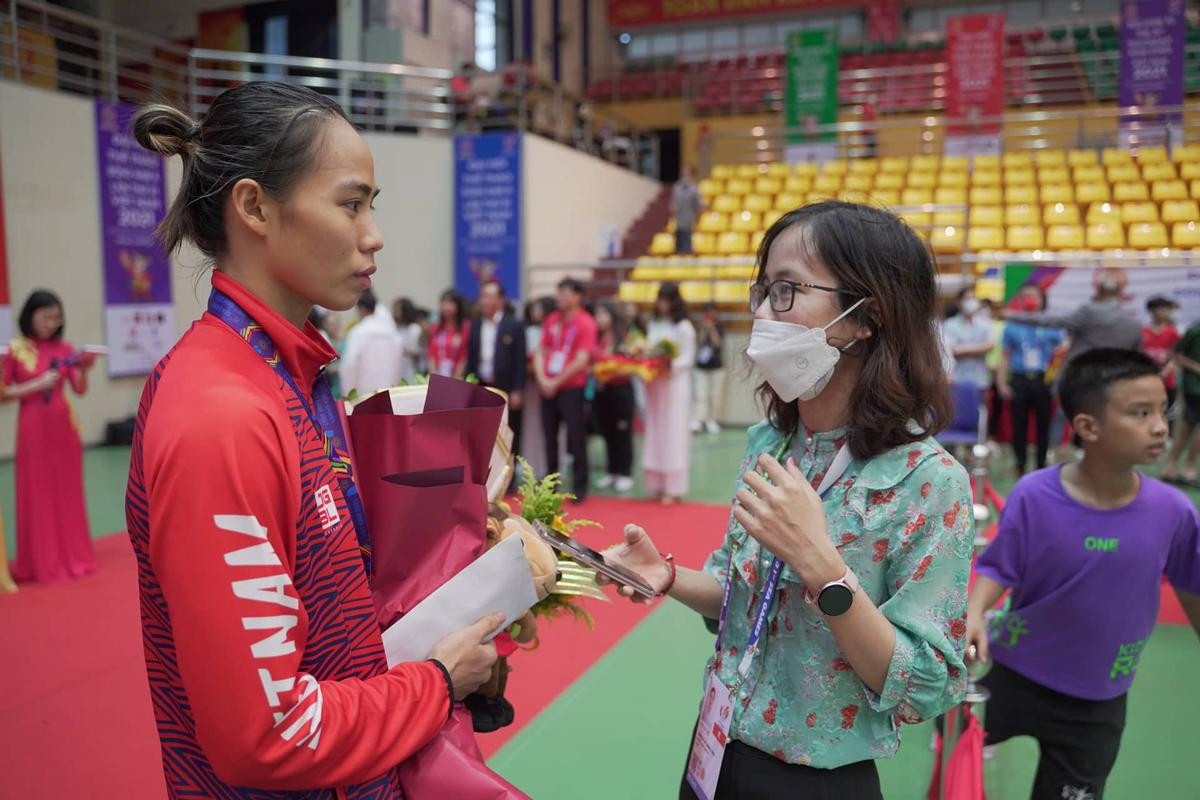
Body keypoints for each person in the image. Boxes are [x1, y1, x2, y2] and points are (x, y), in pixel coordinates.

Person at [127, 82, 502, 799]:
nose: (374, 234)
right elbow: (266, 737)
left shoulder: (294, 379)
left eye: (373, 205)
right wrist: (437, 682)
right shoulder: (221, 416)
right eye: (350, 203)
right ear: (255, 207)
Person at [601, 201, 973, 798]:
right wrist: (668, 577)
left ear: (865, 317)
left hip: (817, 778)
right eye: (763, 291)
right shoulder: (772, 444)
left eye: (786, 291)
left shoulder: (929, 482)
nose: (761, 314)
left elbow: (924, 684)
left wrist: (824, 569)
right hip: (718, 745)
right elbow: (740, 592)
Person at [967, 348, 1200, 800]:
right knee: (954, 742)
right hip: (1016, 671)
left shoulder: (1173, 510)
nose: (1160, 426)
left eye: (1162, 411)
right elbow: (999, 565)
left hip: (1098, 700)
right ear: (1088, 427)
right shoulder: (1034, 495)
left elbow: (1192, 586)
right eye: (1140, 413)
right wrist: (975, 611)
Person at [1, 290, 99, 584]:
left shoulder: (65, 349)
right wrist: (38, 383)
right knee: (38, 492)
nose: (51, 323)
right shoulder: (15, 350)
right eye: (45, 317)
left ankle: (73, 556)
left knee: (67, 493)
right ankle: (42, 561)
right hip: (32, 429)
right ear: (30, 316)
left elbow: (79, 389)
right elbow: (3, 394)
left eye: (56, 318)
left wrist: (85, 370)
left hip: (64, 430)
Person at [1004, 268, 1143, 367]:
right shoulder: (1135, 325)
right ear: (1121, 291)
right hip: (1115, 377)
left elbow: (1051, 321)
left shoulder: (1089, 311)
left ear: (1097, 289)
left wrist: (1011, 315)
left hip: (1083, 375)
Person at [535, 279, 596, 502]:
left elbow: (581, 360)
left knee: (576, 436)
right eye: (559, 293)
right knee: (549, 436)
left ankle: (580, 487)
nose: (560, 297)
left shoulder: (585, 322)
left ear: (578, 296)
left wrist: (556, 381)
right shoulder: (552, 319)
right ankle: (551, 485)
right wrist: (543, 378)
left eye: (566, 293)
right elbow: (541, 350)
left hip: (571, 388)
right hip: (548, 386)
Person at [997, 284, 1065, 475]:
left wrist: (1059, 382)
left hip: (1044, 380)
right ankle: (1020, 464)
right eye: (1025, 295)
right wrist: (1002, 382)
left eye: (1033, 295)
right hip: (1019, 379)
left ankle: (1041, 465)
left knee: (1044, 424)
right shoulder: (1011, 325)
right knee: (1019, 425)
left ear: (1042, 299)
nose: (1030, 299)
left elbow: (1061, 352)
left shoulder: (1050, 323)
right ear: (1019, 300)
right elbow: (1005, 356)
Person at [641, 282, 696, 504]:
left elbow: (687, 358)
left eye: (666, 300)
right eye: (660, 299)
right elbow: (649, 349)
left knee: (674, 433)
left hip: (675, 386)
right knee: (655, 431)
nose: (662, 304)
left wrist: (668, 364)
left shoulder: (684, 327)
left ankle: (673, 488)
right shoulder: (655, 324)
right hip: (656, 385)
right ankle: (656, 483)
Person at [467, 279, 526, 450]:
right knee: (482, 432)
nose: (485, 301)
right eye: (483, 296)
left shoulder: (513, 325)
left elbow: (520, 360)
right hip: (481, 386)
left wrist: (518, 390)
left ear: (500, 300)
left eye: (490, 297)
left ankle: (510, 474)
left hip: (505, 386)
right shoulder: (476, 324)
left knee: (508, 432)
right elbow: (472, 357)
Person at [591, 301, 635, 493]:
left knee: (622, 433)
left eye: (603, 314)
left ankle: (625, 473)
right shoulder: (597, 339)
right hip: (602, 391)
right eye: (597, 315)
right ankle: (612, 471)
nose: (599, 319)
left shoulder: (624, 338)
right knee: (607, 432)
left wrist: (612, 370)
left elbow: (632, 365)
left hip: (621, 391)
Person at [341, 288, 405, 398]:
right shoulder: (392, 332)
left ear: (361, 309)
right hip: (390, 391)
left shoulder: (357, 332)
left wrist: (348, 395)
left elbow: (350, 366)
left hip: (364, 394)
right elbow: (400, 362)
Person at [1163, 315, 1200, 486]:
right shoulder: (1195, 329)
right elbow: (1175, 353)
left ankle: (1187, 469)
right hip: (1194, 387)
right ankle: (1172, 468)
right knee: (1186, 428)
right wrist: (1195, 367)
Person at [941, 286, 994, 390]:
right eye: (967, 298)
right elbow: (951, 350)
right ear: (959, 302)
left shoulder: (986, 323)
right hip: (957, 379)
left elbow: (990, 346)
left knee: (981, 406)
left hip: (981, 379)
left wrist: (962, 349)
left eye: (973, 298)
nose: (971, 301)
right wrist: (980, 349)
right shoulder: (949, 324)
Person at [1142, 295, 1181, 411]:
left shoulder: (1172, 332)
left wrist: (1165, 373)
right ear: (1151, 311)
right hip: (1147, 380)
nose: (1162, 312)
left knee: (1168, 413)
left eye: (1164, 309)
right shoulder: (1143, 332)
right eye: (1158, 309)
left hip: (1167, 382)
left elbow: (1176, 357)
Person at [692, 301, 725, 434]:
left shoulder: (719, 326)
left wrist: (711, 329)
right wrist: (703, 330)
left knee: (715, 396)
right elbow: (699, 344)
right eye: (707, 312)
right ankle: (699, 420)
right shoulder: (701, 327)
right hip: (701, 366)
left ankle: (712, 420)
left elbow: (718, 344)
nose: (709, 314)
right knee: (701, 395)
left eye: (712, 311)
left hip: (716, 366)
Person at [427, 289, 468, 378]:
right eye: (443, 303)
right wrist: (434, 376)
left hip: (458, 376)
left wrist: (456, 379)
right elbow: (431, 355)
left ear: (458, 306)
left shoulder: (466, 327)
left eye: (450, 303)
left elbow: (464, 357)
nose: (446, 307)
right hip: (437, 374)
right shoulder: (434, 327)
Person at [671, 165, 704, 256]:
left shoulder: (694, 188)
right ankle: (679, 251)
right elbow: (674, 201)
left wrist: (702, 208)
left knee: (687, 234)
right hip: (679, 217)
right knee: (679, 234)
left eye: (687, 173)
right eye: (683, 173)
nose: (685, 175)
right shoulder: (677, 187)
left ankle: (688, 251)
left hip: (689, 216)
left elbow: (698, 203)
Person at [391, 296, 421, 382]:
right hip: (396, 369)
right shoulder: (394, 328)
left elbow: (418, 353)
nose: (395, 312)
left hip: (410, 369)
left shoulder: (414, 328)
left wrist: (403, 350)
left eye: (398, 310)